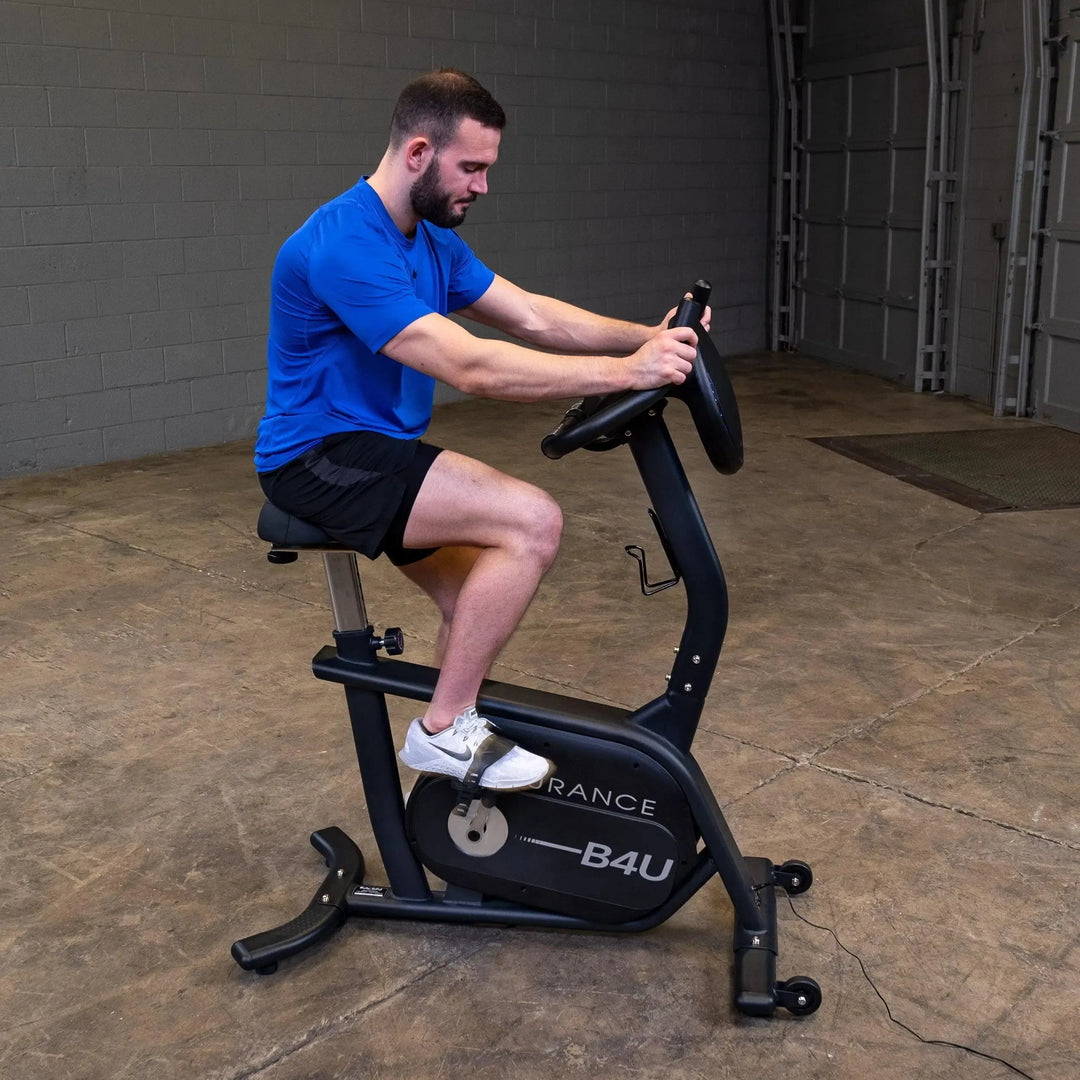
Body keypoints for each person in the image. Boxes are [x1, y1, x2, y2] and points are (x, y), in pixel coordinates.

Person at [255, 69, 706, 792]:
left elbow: (530, 315)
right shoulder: (344, 243)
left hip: (378, 451)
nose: (483, 185)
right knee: (531, 522)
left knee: (478, 605)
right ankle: (444, 729)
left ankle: (454, 802)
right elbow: (473, 369)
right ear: (418, 153)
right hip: (317, 459)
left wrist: (644, 337)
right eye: (472, 167)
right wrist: (629, 373)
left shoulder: (431, 242)